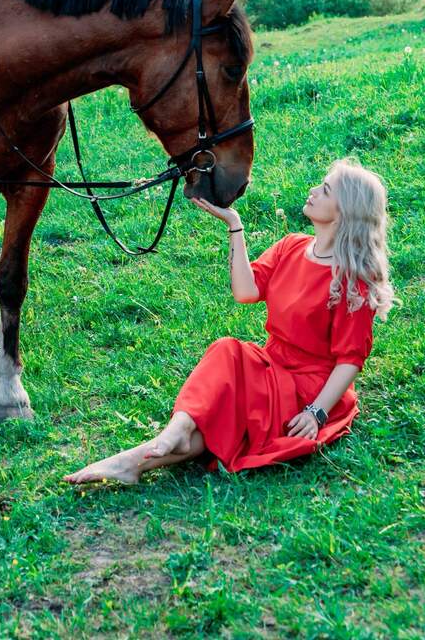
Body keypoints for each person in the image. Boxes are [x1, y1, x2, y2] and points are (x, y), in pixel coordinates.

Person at [63, 156, 395, 486]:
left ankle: (136, 458)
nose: (312, 191)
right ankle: (160, 442)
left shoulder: (353, 281)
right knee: (227, 353)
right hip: (271, 365)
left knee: (226, 403)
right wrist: (234, 225)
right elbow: (246, 291)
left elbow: (350, 360)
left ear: (344, 212)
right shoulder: (291, 247)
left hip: (307, 389)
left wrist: (316, 412)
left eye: (324, 190)